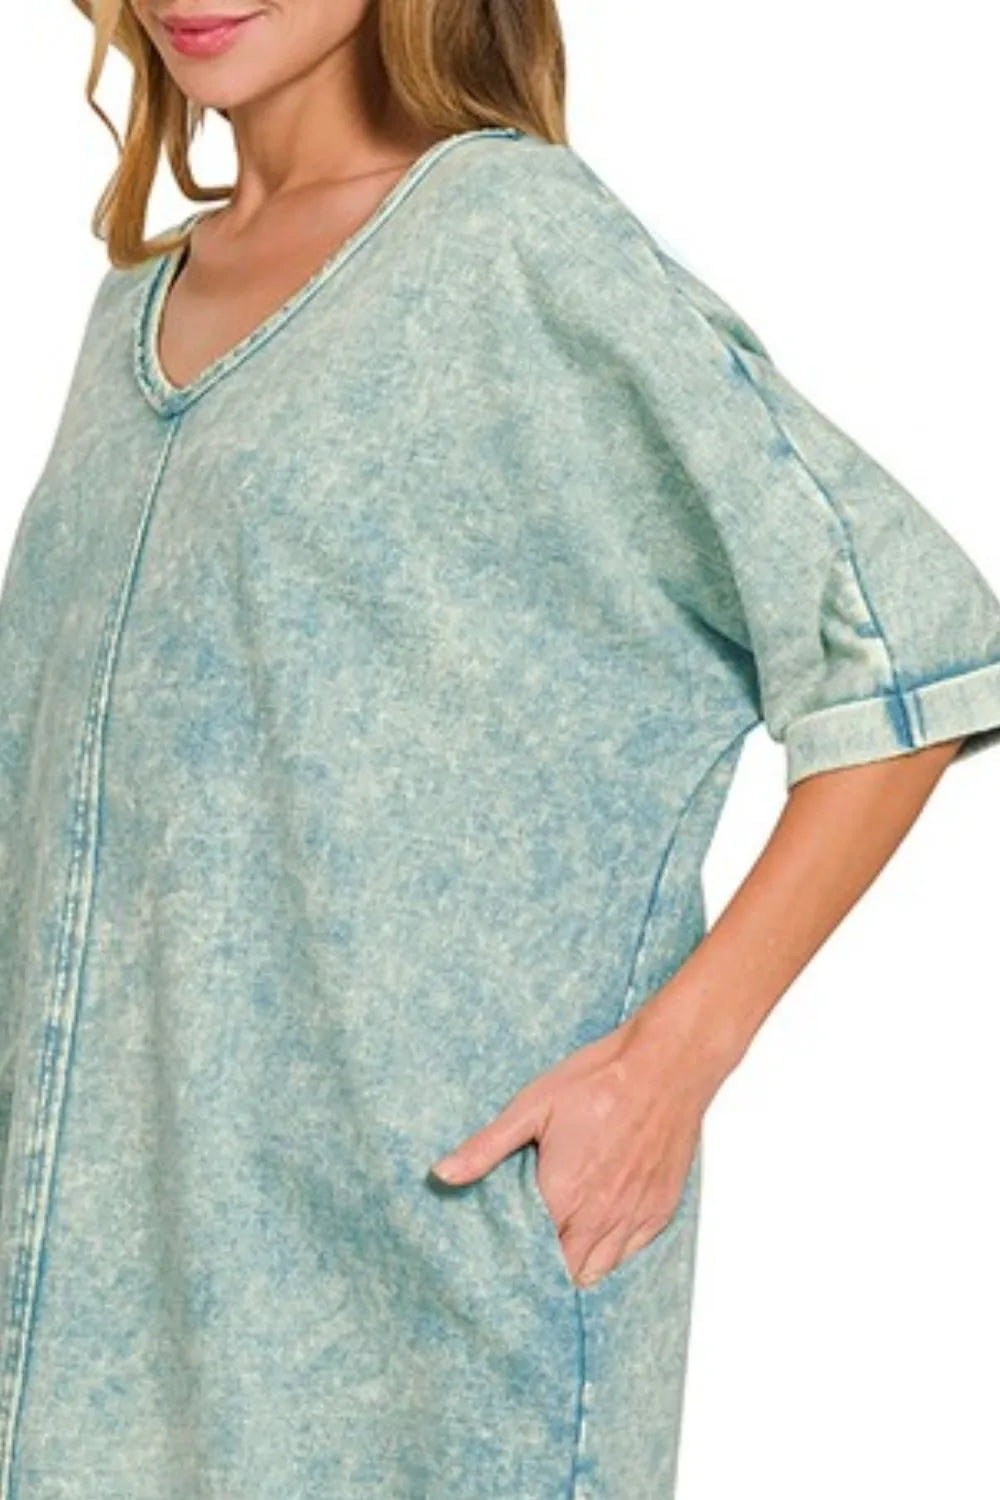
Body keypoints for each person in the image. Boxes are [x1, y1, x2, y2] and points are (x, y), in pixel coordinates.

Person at [1, 2, 998, 1497]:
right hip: (97, 1306)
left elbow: (906, 641)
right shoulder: (128, 312)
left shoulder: (509, 239)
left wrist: (671, 1067)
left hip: (432, 1294)